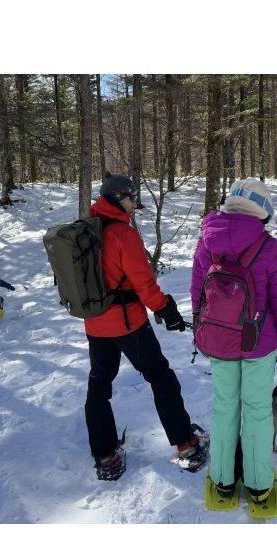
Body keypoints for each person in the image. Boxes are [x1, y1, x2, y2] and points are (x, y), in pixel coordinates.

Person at [85, 173, 207, 481]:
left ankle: (106, 456)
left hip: (95, 322)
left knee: (99, 387)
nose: (134, 205)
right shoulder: (123, 235)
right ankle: (187, 445)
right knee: (161, 377)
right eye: (130, 199)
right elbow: (144, 284)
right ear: (116, 198)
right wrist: (167, 309)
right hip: (127, 324)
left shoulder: (87, 227)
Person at [191, 177, 277, 504]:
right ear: (263, 212)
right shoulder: (269, 248)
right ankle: (258, 484)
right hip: (259, 345)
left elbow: (198, 295)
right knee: (256, 411)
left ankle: (223, 481)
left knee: (224, 409)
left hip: (220, 343)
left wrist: (202, 333)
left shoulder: (206, 241)